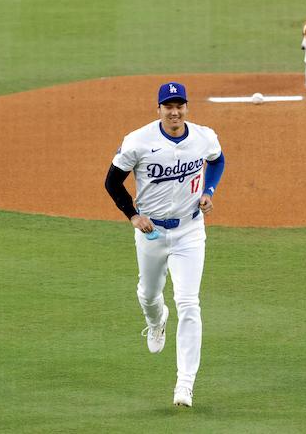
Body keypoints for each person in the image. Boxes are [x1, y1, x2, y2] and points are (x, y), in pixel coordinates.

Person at [104, 81, 225, 408]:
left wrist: (208, 193)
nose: (174, 112)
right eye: (168, 106)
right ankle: (156, 322)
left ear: (186, 107)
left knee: (189, 303)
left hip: (190, 231)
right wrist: (132, 215)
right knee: (149, 293)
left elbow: (218, 160)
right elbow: (112, 181)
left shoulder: (203, 137)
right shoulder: (139, 141)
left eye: (179, 105)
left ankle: (185, 384)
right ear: (158, 109)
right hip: (152, 233)